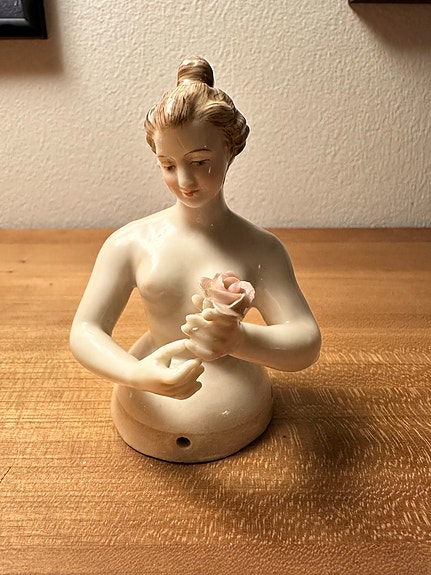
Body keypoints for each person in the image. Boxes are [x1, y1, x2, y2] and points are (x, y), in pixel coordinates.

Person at [70, 57, 321, 462]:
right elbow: (86, 329)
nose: (184, 181)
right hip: (150, 387)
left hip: (235, 393)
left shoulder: (261, 249)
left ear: (229, 151)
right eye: (168, 166)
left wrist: (241, 340)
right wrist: (135, 372)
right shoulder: (130, 243)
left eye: (199, 162)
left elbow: (305, 339)